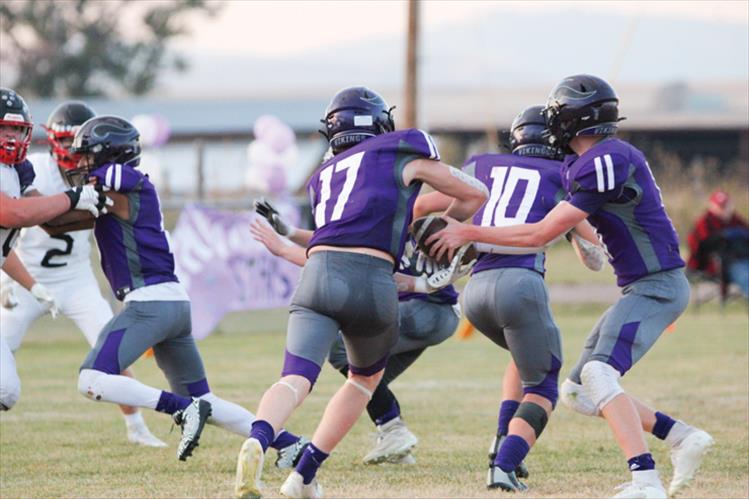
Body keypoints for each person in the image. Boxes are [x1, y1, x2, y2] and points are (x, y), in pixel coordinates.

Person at [428, 75, 713, 498]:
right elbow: (579, 233)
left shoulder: (605, 158)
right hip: (641, 286)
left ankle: (645, 480)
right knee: (578, 391)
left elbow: (539, 233)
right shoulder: (592, 162)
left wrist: (469, 235)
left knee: (598, 373)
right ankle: (681, 437)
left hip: (659, 286)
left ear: (570, 120)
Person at [234, 86, 488, 499]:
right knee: (361, 382)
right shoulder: (399, 149)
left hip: (316, 277)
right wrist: (443, 231)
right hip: (373, 281)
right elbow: (476, 193)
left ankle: (258, 439)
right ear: (378, 122)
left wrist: (284, 240)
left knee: (294, 378)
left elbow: (333, 237)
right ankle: (303, 476)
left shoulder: (322, 178)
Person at [61, 114, 305, 464]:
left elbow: (87, 191)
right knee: (207, 401)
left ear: (109, 154)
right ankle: (290, 444)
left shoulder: (122, 180)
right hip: (172, 302)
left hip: (150, 302)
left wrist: (40, 205)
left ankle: (180, 409)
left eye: (88, 156)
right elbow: (66, 217)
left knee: (91, 378)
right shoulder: (119, 193)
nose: (82, 163)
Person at [414, 104, 605, 491]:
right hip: (519, 284)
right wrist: (571, 232)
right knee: (546, 384)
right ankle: (505, 463)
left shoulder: (483, 164)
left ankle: (502, 439)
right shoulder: (562, 174)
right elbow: (596, 253)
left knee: (523, 359)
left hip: (475, 293)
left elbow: (420, 206)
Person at [1, 101, 164, 446]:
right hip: (27, 276)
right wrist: (78, 198)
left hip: (76, 278)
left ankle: (137, 428)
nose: (73, 151)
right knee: (5, 365)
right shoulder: (36, 171)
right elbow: (47, 223)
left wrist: (114, 209)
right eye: (64, 139)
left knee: (110, 348)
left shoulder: (97, 169)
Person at [251, 204, 460, 466]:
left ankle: (393, 428)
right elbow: (333, 246)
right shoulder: (379, 205)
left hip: (432, 309)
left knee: (344, 353)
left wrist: (282, 248)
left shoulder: (400, 202)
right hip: (427, 310)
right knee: (366, 379)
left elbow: (336, 259)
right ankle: (396, 444)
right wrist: (290, 232)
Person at [0, 87, 111, 411]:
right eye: (2, 127)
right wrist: (75, 198)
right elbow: (13, 214)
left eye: (15, 129)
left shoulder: (17, 171)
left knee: (5, 391)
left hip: (59, 278)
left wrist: (108, 214)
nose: (9, 136)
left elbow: (42, 224)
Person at [687, 189, 748, 298]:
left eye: (725, 206)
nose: (723, 210)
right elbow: (700, 248)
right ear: (712, 206)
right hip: (719, 266)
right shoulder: (705, 222)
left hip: (742, 259)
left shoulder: (736, 220)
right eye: (720, 206)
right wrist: (721, 237)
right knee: (745, 275)